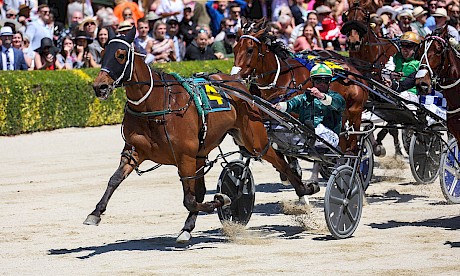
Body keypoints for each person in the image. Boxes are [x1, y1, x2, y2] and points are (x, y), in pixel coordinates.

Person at [273, 63, 345, 186]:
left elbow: (336, 104)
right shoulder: (303, 98)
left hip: (329, 138)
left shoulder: (336, 97)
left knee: (318, 129)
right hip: (306, 138)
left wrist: (321, 96)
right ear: (312, 81)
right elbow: (290, 104)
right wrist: (278, 107)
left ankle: (310, 131)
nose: (322, 83)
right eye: (318, 80)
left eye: (325, 80)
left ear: (329, 82)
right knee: (276, 128)